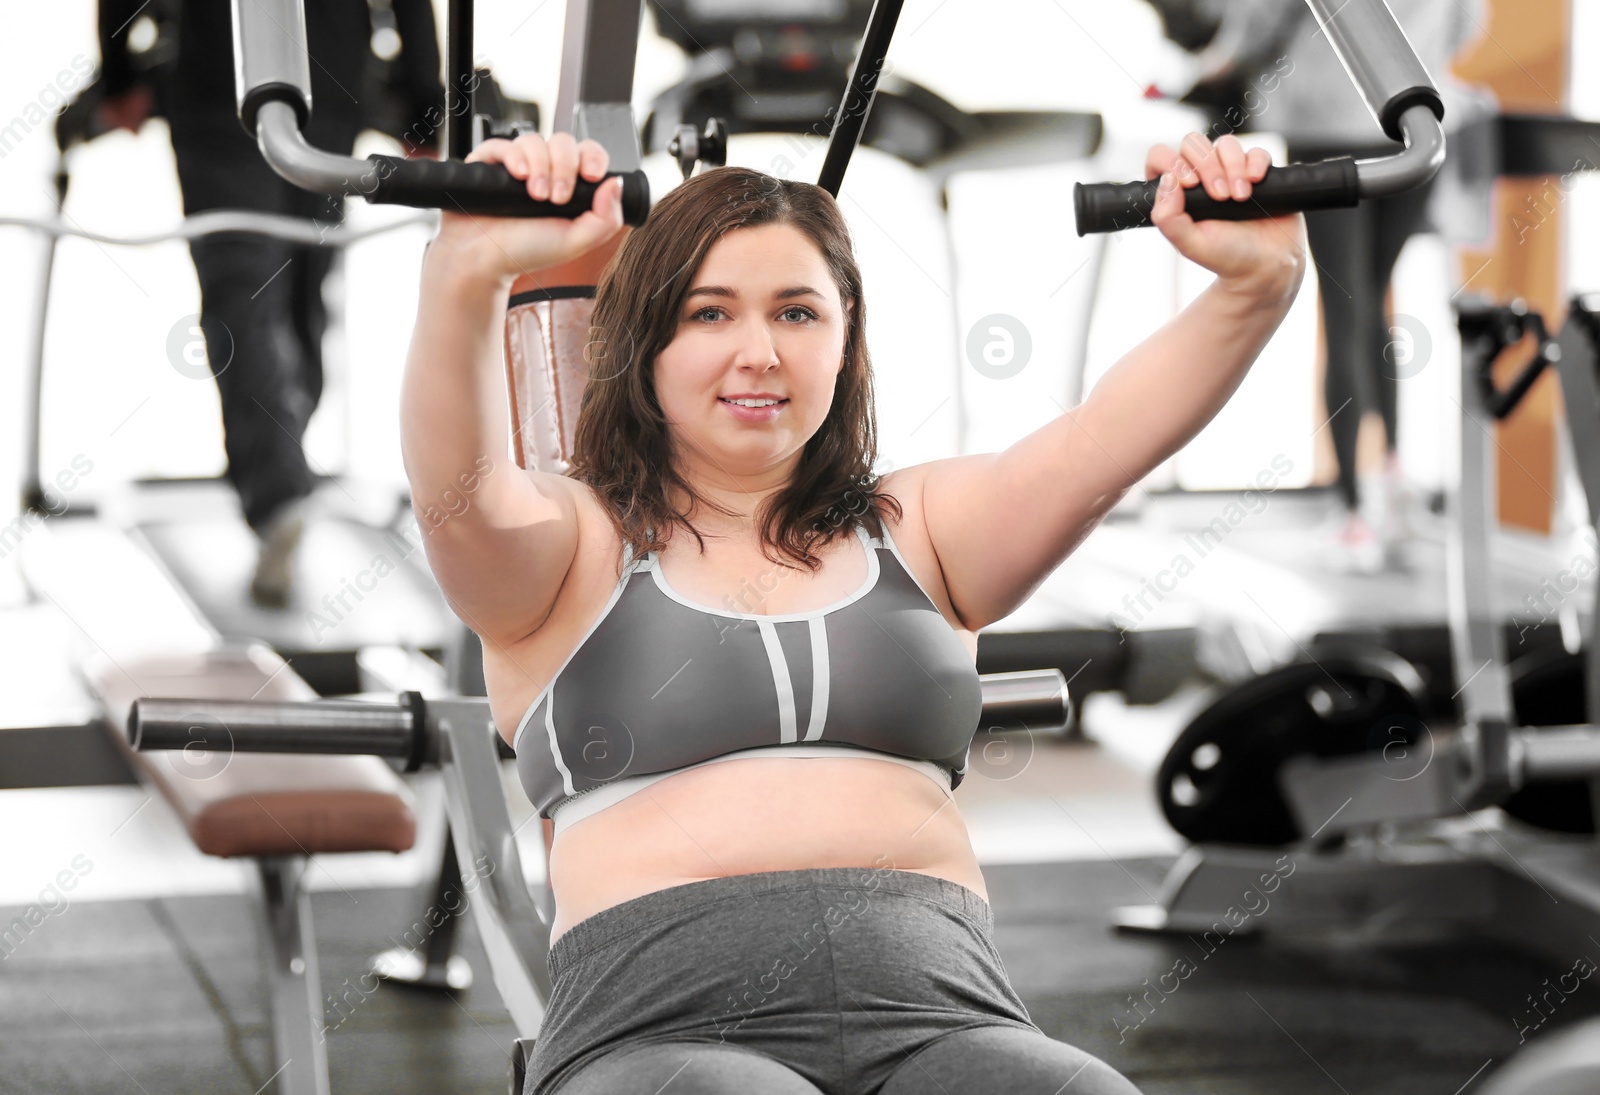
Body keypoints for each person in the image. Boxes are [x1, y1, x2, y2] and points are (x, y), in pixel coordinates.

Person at [400, 128, 1304, 1093]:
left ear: (844, 338)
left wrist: (1258, 285)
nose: (759, 352)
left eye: (797, 312)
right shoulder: (571, 546)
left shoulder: (921, 528)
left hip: (943, 1016)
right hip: (657, 1032)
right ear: (646, 342)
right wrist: (468, 269)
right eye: (710, 314)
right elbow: (459, 491)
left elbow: (1103, 441)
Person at [95, 0, 444, 607]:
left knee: (245, 290)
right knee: (296, 291)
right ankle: (281, 477)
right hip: (326, 73)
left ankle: (279, 489)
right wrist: (424, 104)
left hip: (225, 79)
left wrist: (120, 74)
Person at [1183, 0, 1494, 573]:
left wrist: (1221, 62)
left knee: (1345, 305)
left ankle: (1353, 512)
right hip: (1416, 126)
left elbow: (1261, 22)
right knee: (1373, 297)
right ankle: (1393, 481)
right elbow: (1470, 25)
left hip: (1329, 123)